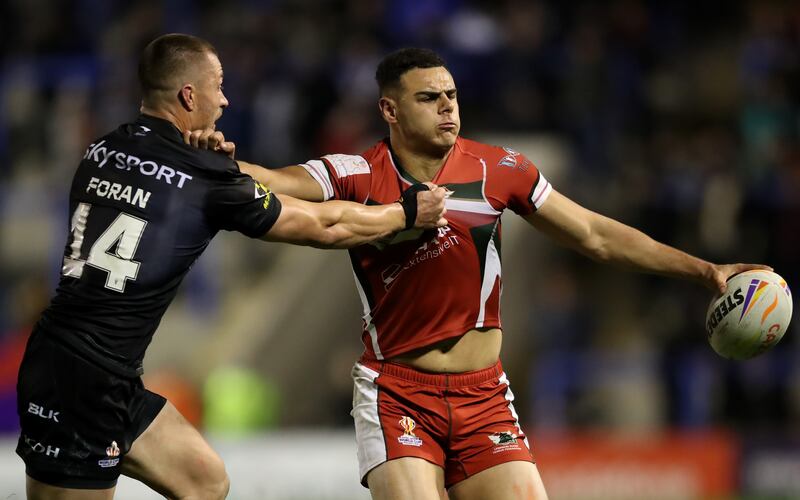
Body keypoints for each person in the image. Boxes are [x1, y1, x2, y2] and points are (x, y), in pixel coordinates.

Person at [192, 48, 770, 500]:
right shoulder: (358, 172)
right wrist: (210, 157)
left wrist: (704, 270)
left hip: (484, 395)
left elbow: (595, 234)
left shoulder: (500, 169)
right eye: (429, 98)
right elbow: (275, 179)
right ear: (390, 110)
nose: (448, 107)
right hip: (398, 394)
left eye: (452, 95)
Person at [15, 35, 448, 500]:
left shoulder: (102, 148)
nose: (224, 99)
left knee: (204, 480)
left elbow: (166, 183)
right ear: (188, 96)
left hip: (79, 361)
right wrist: (405, 214)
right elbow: (324, 225)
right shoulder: (204, 176)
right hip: (88, 382)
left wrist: (219, 165)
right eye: (217, 86)